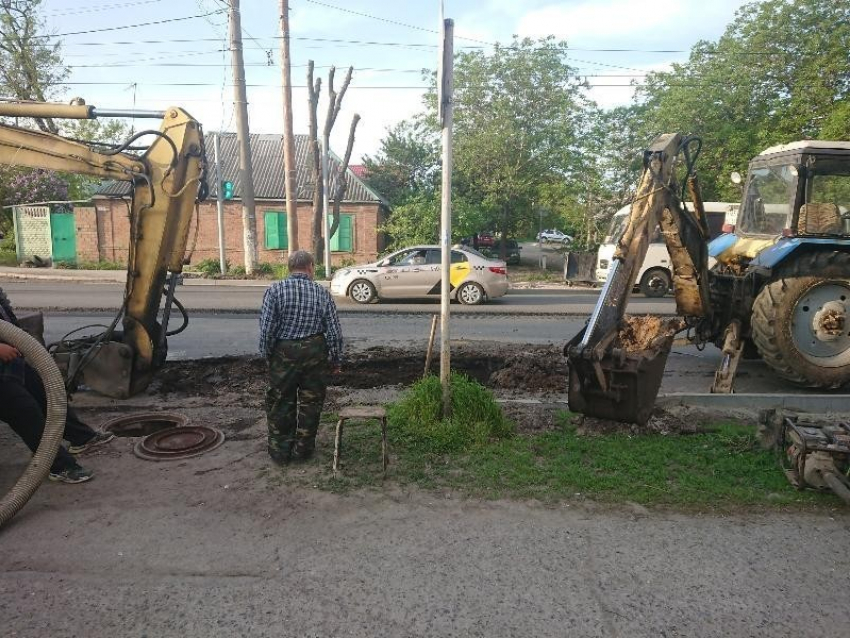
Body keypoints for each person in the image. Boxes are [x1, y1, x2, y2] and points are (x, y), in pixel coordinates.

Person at [0, 287, 113, 484]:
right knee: (25, 411)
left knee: (46, 394)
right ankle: (59, 466)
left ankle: (81, 437)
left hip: (9, 362)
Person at [258, 251, 343, 465]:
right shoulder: (321, 293)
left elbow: (267, 329)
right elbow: (333, 330)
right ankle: (303, 451)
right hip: (314, 351)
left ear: (290, 268)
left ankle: (280, 451)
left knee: (280, 401)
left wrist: (267, 355)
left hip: (284, 352)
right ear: (310, 267)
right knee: (311, 402)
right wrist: (335, 360)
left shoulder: (275, 290)